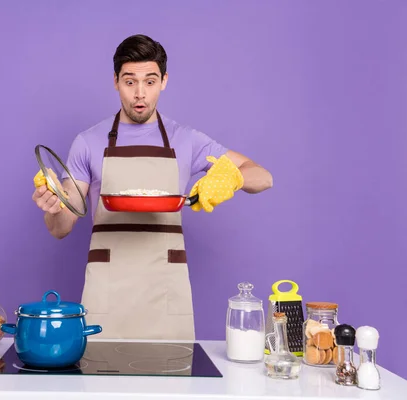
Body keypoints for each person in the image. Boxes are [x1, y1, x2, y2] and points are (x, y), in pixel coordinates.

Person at [32, 34, 273, 341]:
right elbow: (61, 227)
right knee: (100, 384)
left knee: (171, 383)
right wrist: (53, 206)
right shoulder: (89, 142)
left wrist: (233, 178)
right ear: (116, 82)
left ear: (164, 81)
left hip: (165, 289)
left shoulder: (187, 140)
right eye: (130, 82)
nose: (140, 94)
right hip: (107, 291)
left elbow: (264, 177)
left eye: (150, 81)